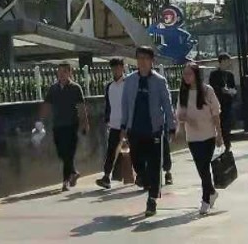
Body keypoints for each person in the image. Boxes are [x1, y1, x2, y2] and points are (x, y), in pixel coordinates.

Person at [117, 46, 176, 218]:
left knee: (155, 165)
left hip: (154, 130)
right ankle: (142, 177)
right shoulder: (130, 80)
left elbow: (167, 105)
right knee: (137, 162)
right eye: (139, 58)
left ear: (152, 61)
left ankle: (152, 200)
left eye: (145, 58)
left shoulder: (159, 81)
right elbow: (125, 105)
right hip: (134, 129)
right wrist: (123, 127)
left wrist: (171, 126)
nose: (142, 62)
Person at [176, 61, 225, 214]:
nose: (186, 77)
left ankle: (205, 200)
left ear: (196, 75)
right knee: (201, 169)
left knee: (204, 167)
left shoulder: (207, 90)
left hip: (208, 135)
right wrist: (184, 120)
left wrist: (219, 134)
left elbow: (216, 113)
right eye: (184, 74)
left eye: (189, 74)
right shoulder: (183, 92)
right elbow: (179, 114)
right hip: (192, 137)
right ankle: (212, 192)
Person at [39, 63, 89, 191]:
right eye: (59, 71)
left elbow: (81, 107)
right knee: (61, 153)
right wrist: (40, 121)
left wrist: (85, 123)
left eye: (64, 72)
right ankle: (73, 172)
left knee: (69, 153)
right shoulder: (53, 88)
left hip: (72, 124)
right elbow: (46, 105)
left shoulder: (75, 88)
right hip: (57, 125)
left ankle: (65, 181)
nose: (61, 74)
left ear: (70, 73)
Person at [95, 57, 129, 189]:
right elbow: (108, 104)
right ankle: (106, 176)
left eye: (118, 67)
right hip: (114, 124)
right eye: (113, 68)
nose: (116, 70)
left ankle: (142, 175)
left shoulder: (128, 84)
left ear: (123, 68)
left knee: (136, 150)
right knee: (111, 151)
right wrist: (107, 119)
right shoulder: (109, 86)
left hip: (129, 123)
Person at [207, 54, 239, 152]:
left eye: (228, 61)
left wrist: (232, 91)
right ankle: (219, 142)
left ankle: (227, 144)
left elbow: (233, 87)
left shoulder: (230, 75)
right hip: (218, 102)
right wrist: (221, 90)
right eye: (225, 61)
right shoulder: (214, 74)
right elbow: (212, 87)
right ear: (220, 62)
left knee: (227, 124)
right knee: (218, 124)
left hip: (227, 103)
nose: (227, 63)